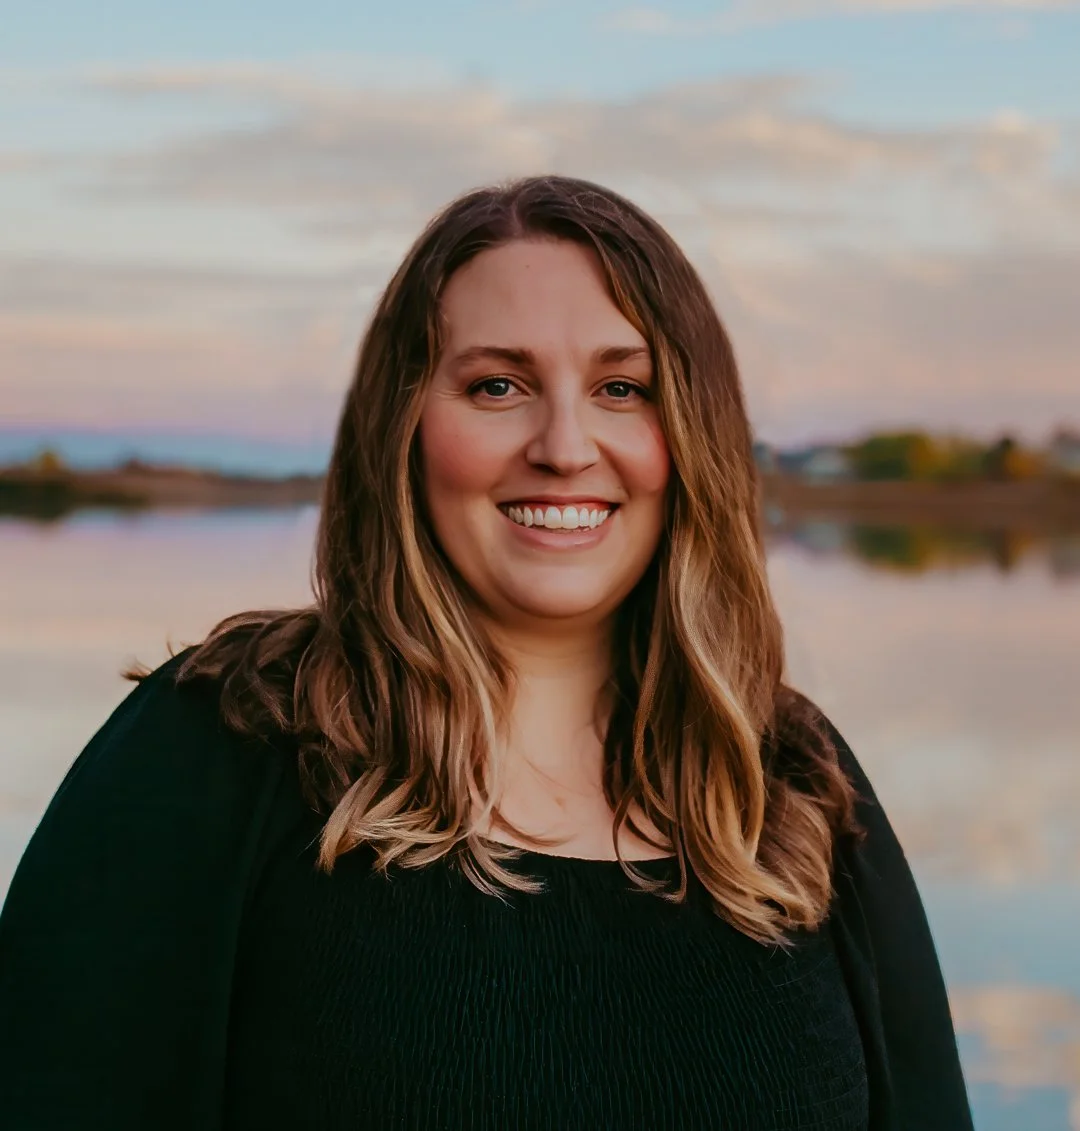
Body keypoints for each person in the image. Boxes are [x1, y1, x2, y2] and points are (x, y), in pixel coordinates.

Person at [0, 175, 973, 1130]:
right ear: (403, 426)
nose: (563, 445)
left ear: (692, 437)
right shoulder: (219, 744)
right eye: (497, 385)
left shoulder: (791, 782)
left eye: (622, 387)